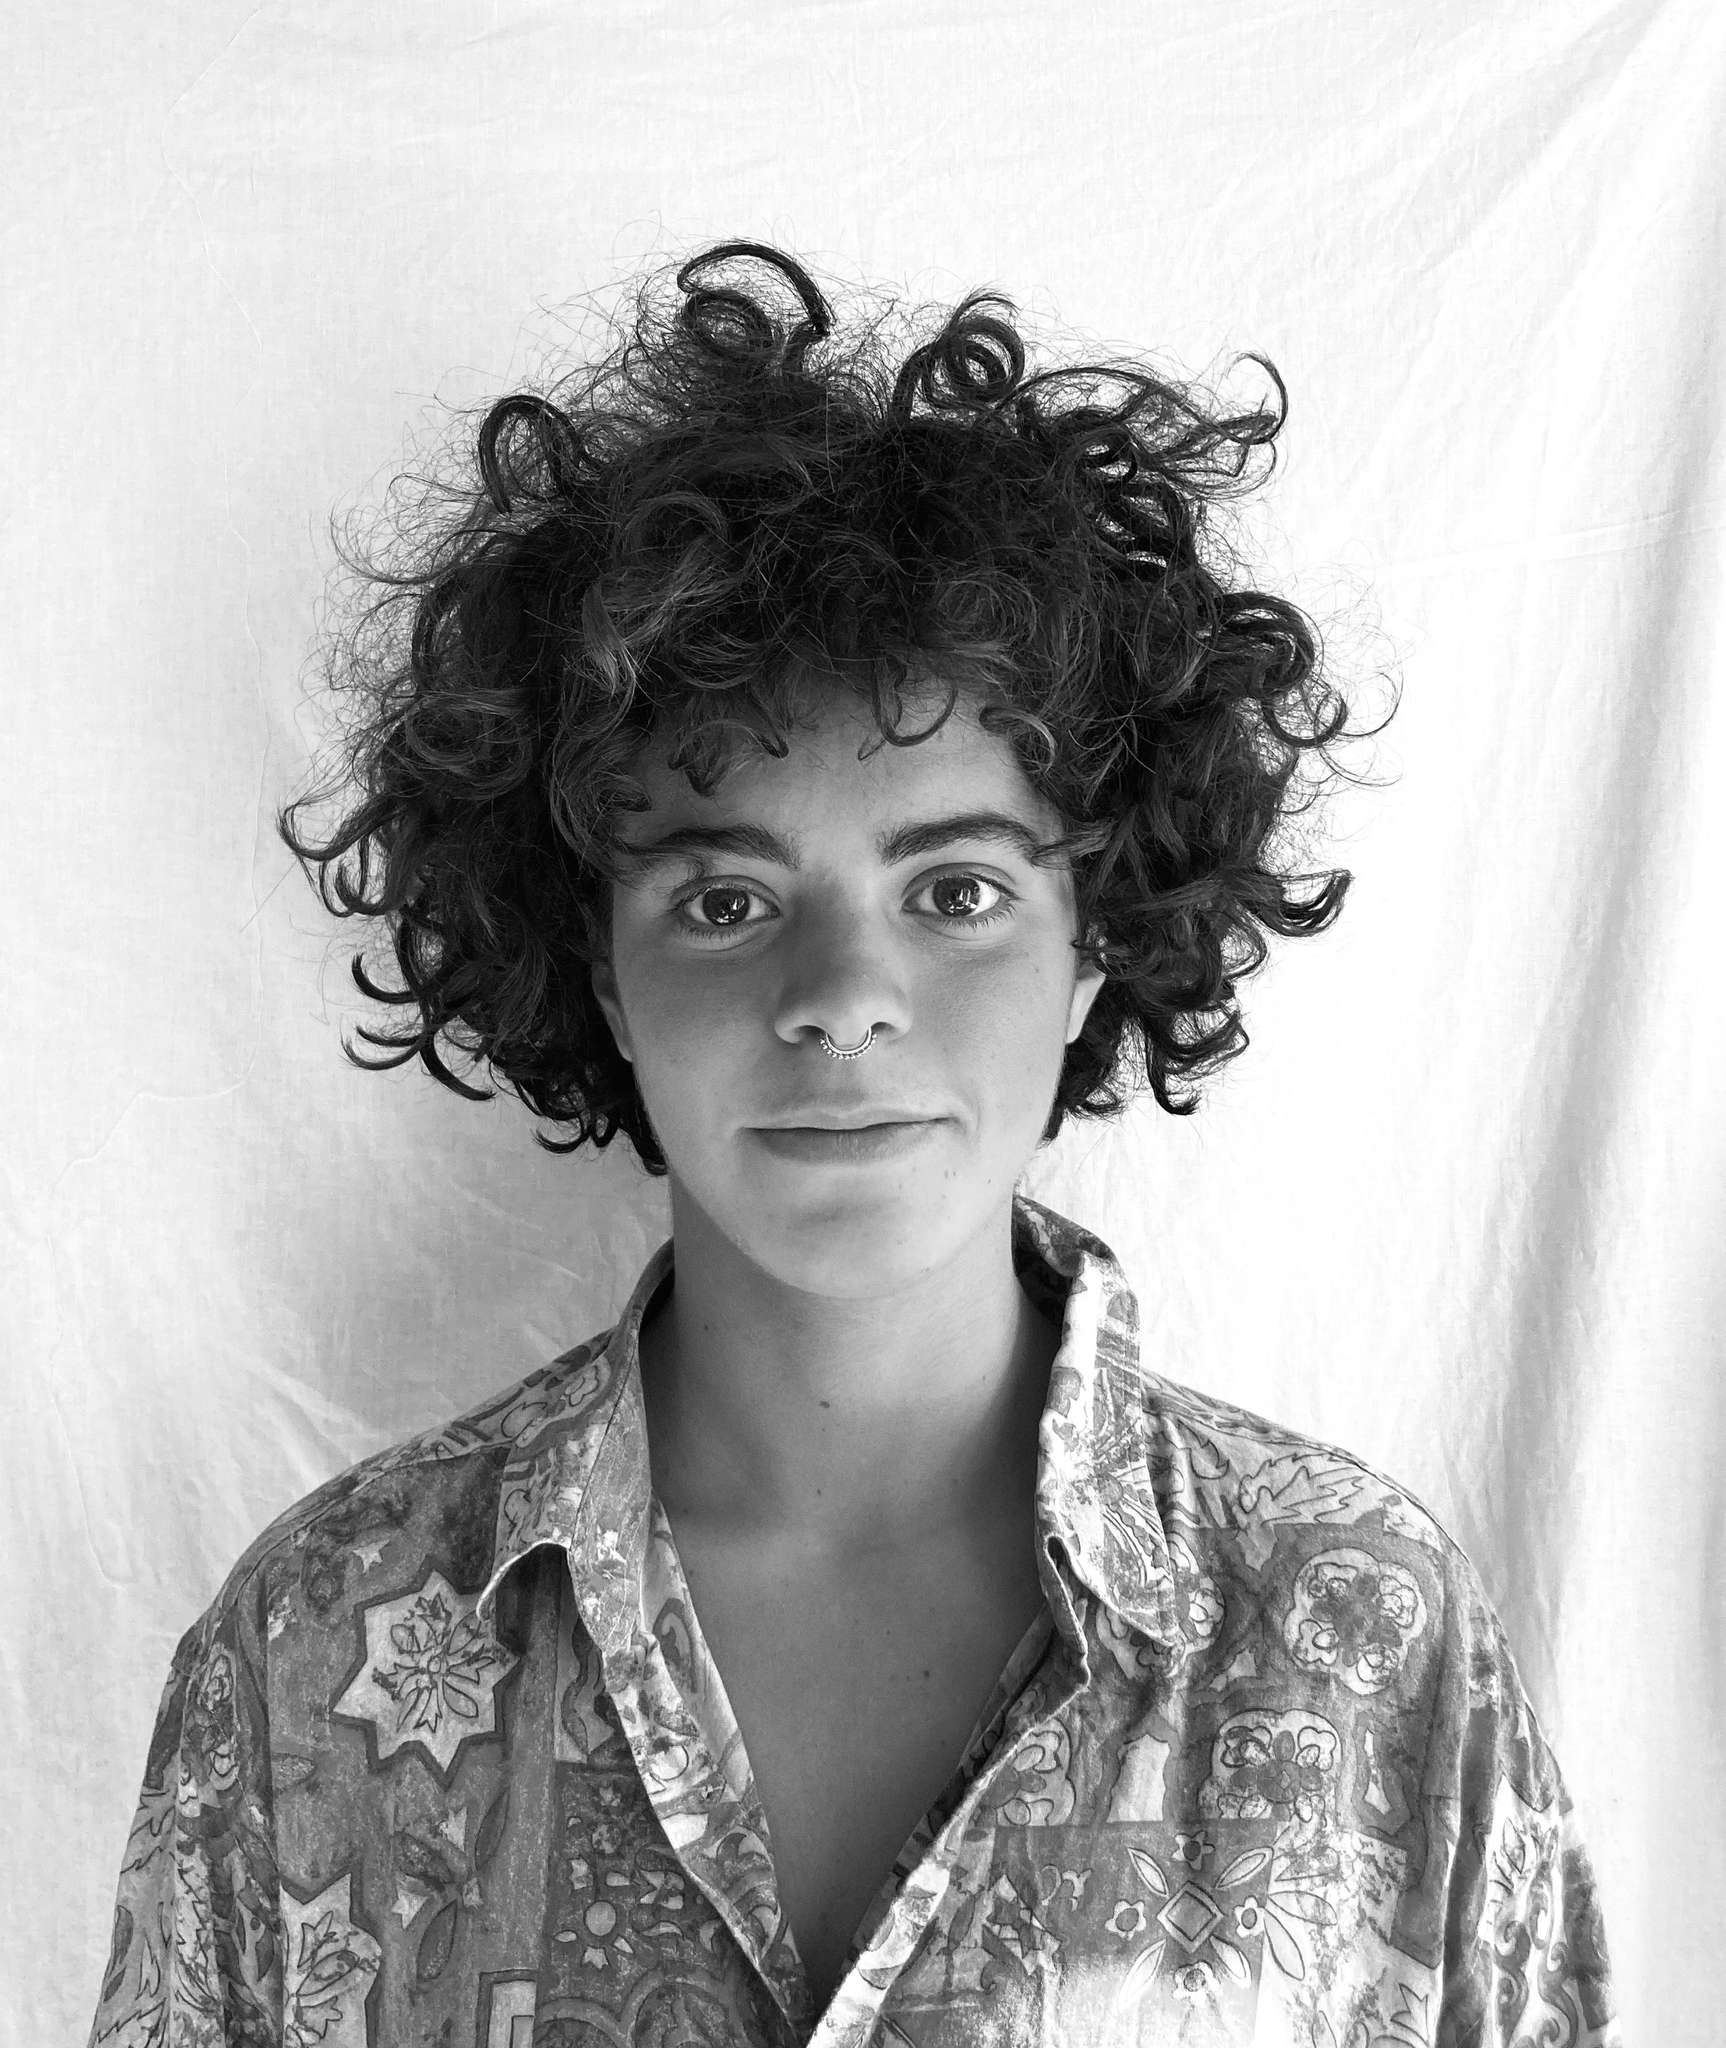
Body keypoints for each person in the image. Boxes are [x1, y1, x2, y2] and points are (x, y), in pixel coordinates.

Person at [88, 241, 1619, 2047]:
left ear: (1096, 939)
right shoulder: (311, 1650)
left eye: (954, 889)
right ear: (601, 963)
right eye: (725, 900)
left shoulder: (1361, 1642)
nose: (839, 998)